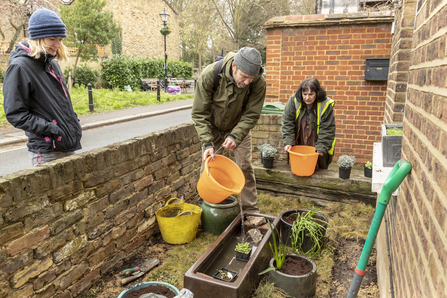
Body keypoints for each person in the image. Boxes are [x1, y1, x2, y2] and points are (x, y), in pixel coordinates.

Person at [3, 8, 82, 166]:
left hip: (67, 145)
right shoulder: (20, 67)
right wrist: (52, 130)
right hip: (47, 152)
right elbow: (15, 114)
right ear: (38, 38)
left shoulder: (52, 63)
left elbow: (61, 103)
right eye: (53, 39)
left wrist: (73, 124)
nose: (58, 45)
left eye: (60, 39)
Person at [192, 47, 266, 212]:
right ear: (234, 66)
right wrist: (207, 143)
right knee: (208, 166)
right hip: (212, 128)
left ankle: (249, 209)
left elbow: (251, 114)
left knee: (245, 165)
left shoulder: (258, 82)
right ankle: (207, 208)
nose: (247, 82)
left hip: (239, 127)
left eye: (251, 79)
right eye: (244, 77)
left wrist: (236, 135)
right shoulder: (209, 75)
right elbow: (199, 113)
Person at [281, 78, 335, 169]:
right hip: (299, 143)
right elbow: (287, 122)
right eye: (304, 94)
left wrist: (322, 147)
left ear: (317, 93)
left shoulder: (325, 105)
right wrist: (289, 142)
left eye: (311, 94)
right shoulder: (293, 100)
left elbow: (327, 129)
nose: (307, 97)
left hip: (316, 145)